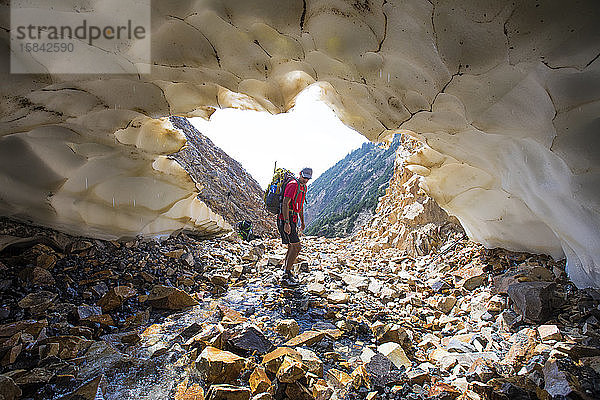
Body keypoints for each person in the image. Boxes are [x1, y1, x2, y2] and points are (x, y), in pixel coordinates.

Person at [278, 167, 312, 287]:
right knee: (297, 247)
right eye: (304, 177)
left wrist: (302, 222)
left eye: (308, 178)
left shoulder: (303, 188)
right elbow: (285, 203)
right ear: (300, 174)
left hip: (293, 219)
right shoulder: (293, 185)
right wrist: (287, 222)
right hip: (286, 219)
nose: (306, 180)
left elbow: (300, 206)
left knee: (292, 247)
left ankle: (286, 270)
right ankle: (286, 275)